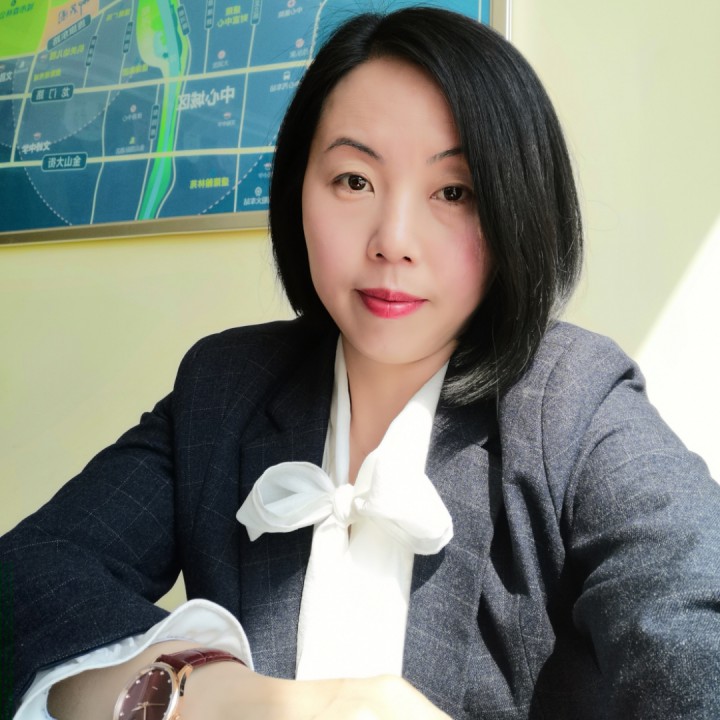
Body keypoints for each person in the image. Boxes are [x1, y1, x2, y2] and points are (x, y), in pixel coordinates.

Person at [1, 7, 719, 720]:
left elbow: (691, 613)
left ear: (517, 208)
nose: (392, 240)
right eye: (353, 181)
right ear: (298, 190)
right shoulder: (226, 385)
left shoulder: (574, 403)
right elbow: (28, 576)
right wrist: (226, 697)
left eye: (454, 192)